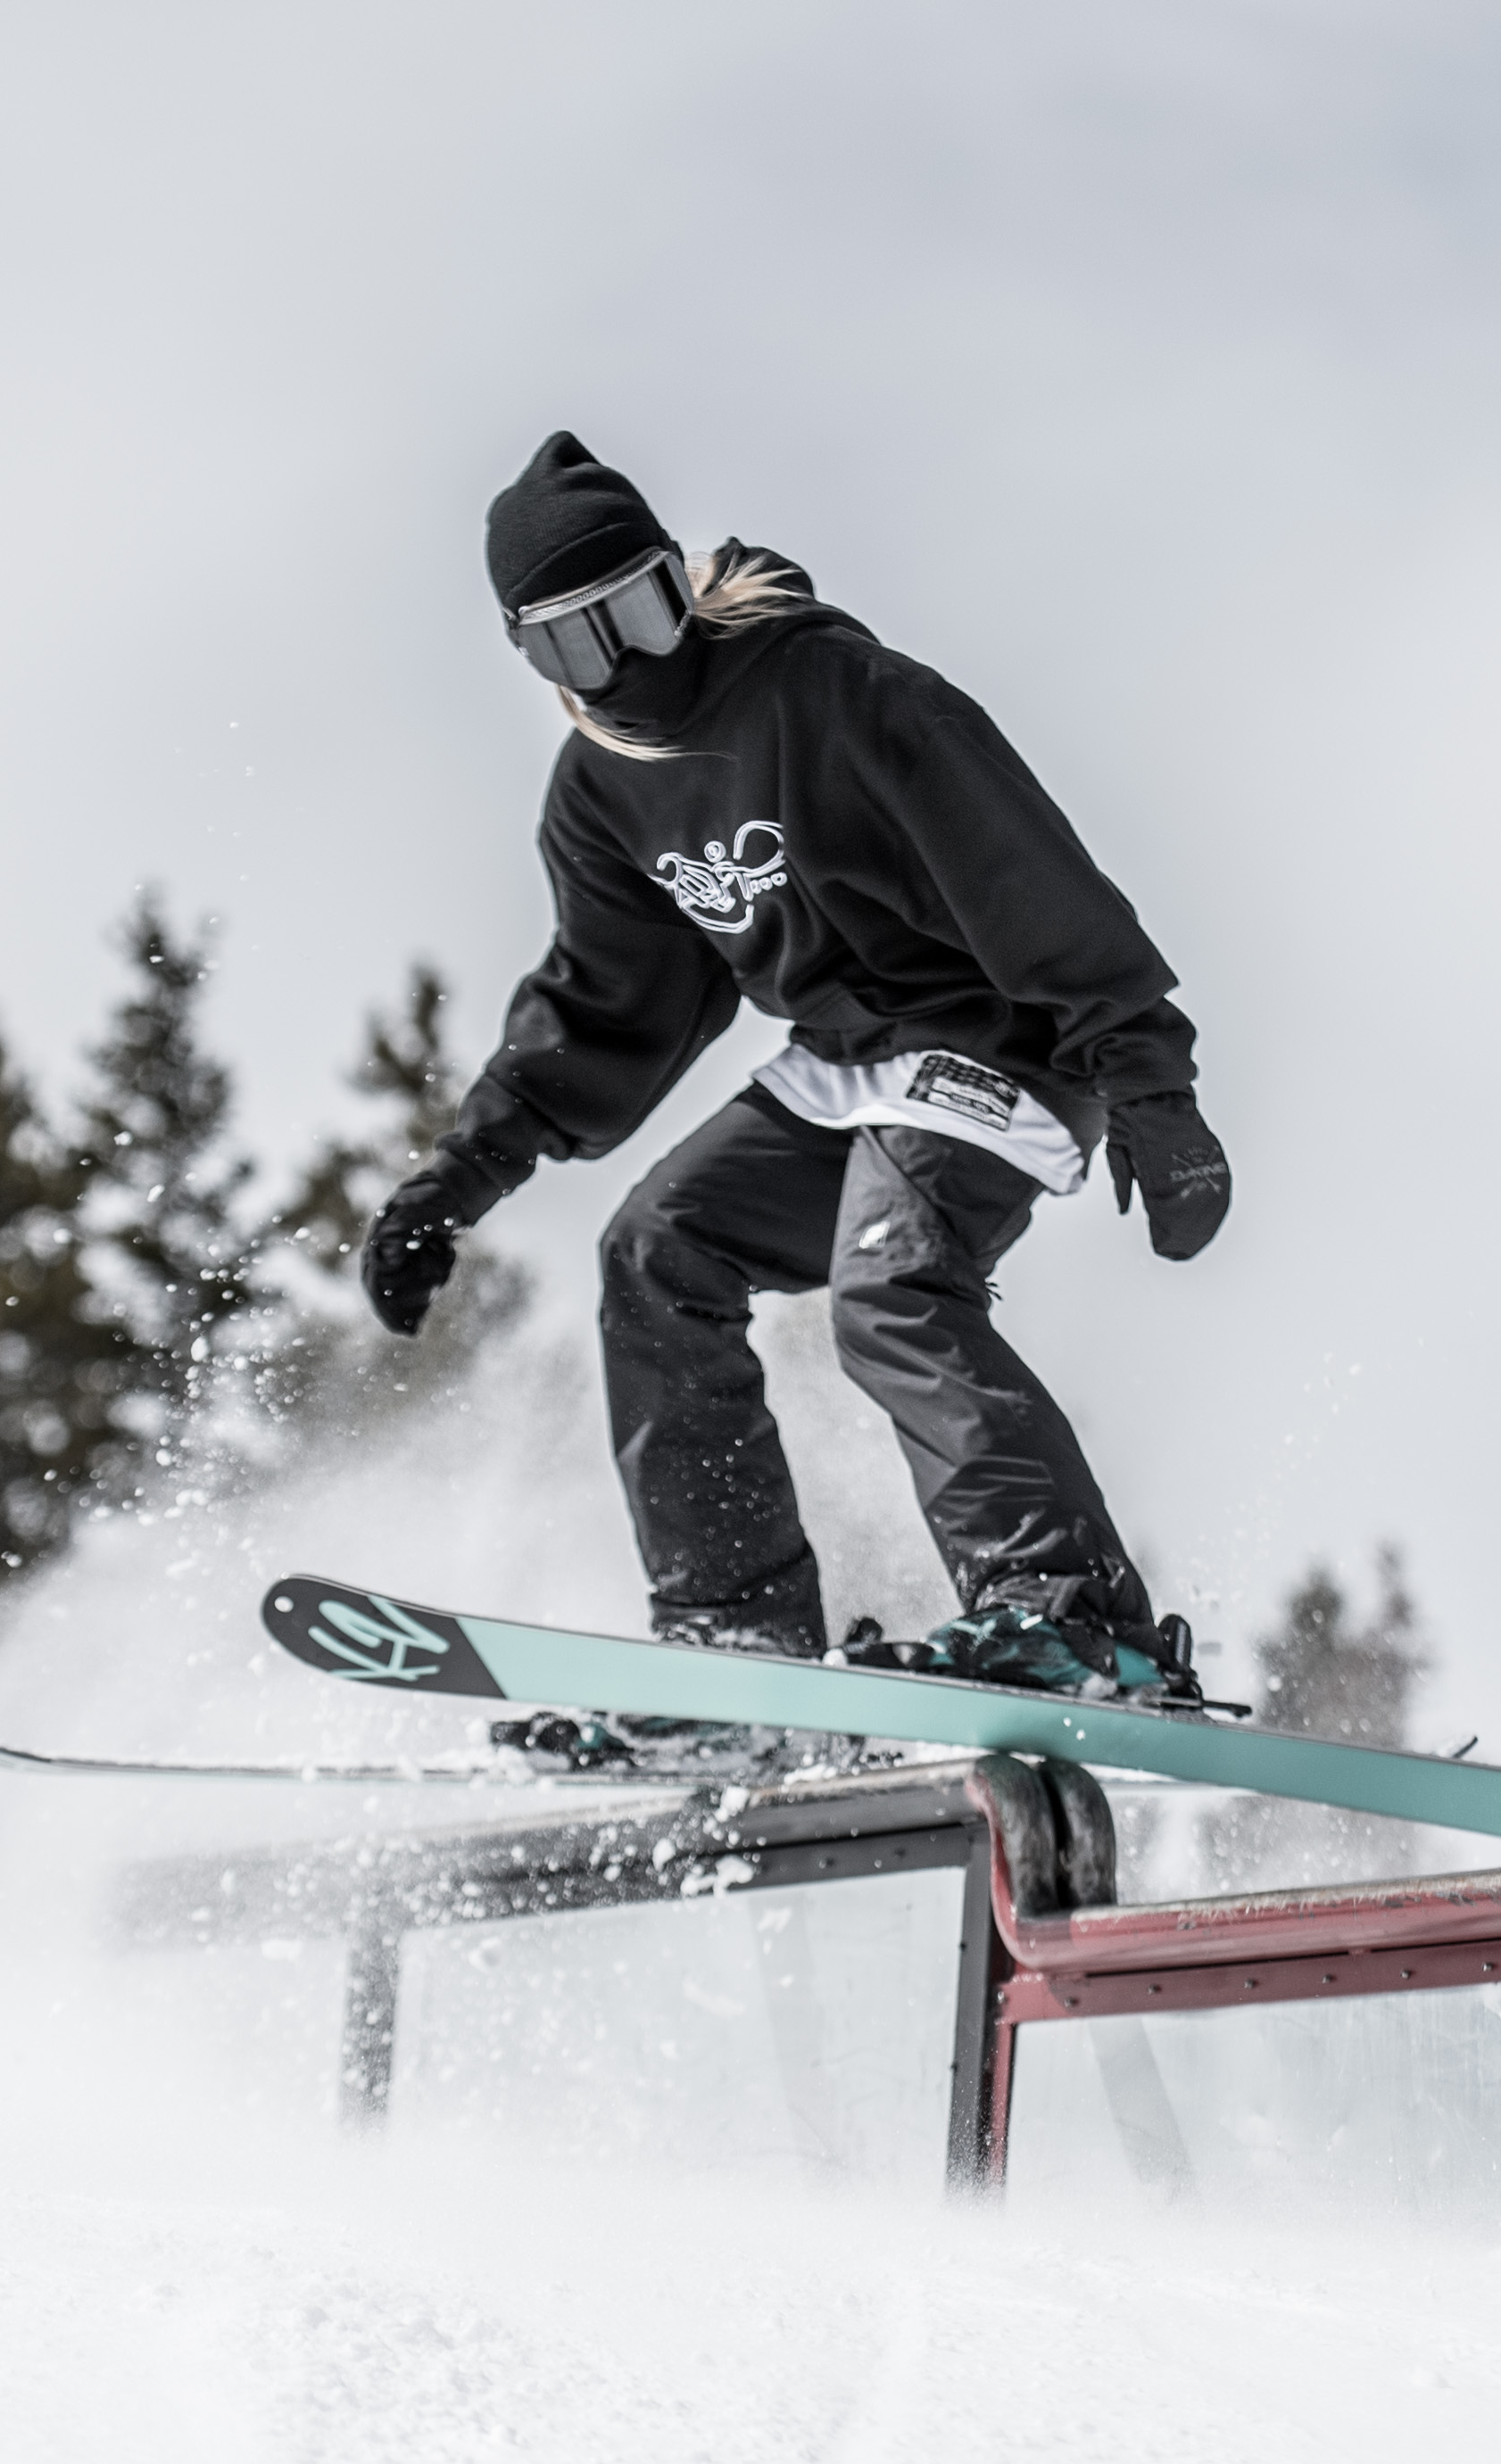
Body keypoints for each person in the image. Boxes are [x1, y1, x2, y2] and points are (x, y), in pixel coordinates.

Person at [359, 432, 1231, 1700]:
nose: (625, 667)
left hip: (1000, 1037)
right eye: (576, 647)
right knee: (655, 1254)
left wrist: (1148, 1078)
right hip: (843, 1063)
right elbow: (605, 1004)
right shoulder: (603, 791)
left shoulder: (835, 691)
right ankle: (738, 1647)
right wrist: (459, 1177)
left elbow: (1022, 869)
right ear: (534, 661)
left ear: (682, 586)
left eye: (640, 615)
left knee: (891, 1287)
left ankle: (1074, 1616)